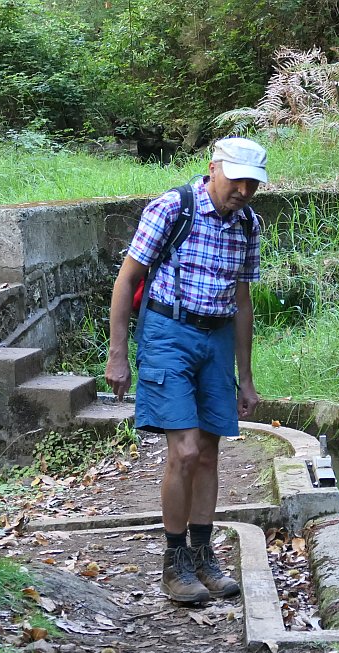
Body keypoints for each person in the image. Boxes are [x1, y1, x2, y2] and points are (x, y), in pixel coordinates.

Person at [105, 137, 266, 603]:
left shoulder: (248, 225)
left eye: (252, 182)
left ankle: (202, 555)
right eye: (236, 178)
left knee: (211, 451)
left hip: (215, 339)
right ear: (213, 168)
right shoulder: (173, 208)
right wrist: (119, 355)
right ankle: (173, 563)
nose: (243, 189)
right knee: (187, 450)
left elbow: (242, 302)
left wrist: (247, 376)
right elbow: (127, 280)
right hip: (168, 333)